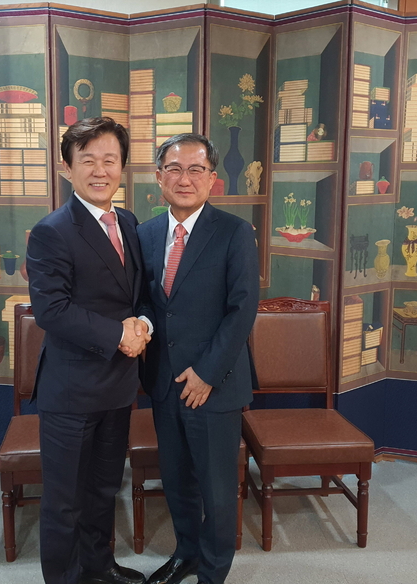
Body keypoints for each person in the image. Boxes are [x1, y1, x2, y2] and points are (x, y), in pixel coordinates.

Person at [26, 117, 150, 584]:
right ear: (67, 168)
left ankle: (100, 567)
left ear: (122, 167)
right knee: (65, 500)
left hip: (119, 384)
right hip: (71, 390)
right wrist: (119, 334)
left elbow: (139, 294)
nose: (101, 171)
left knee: (103, 489)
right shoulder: (52, 231)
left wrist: (143, 324)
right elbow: (52, 311)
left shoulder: (129, 222)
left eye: (110, 160)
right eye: (88, 160)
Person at [137, 134, 260, 584]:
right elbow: (145, 301)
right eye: (174, 169)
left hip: (214, 383)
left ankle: (212, 572)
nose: (184, 179)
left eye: (195, 170)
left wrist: (207, 372)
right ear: (159, 177)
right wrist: (141, 324)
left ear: (212, 179)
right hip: (164, 382)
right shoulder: (146, 234)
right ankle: (186, 553)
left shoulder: (234, 232)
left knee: (218, 488)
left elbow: (242, 309)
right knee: (177, 481)